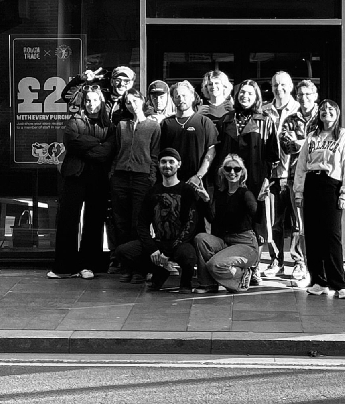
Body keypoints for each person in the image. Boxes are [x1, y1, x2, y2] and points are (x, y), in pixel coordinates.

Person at [214, 79, 279, 285]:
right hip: (229, 180)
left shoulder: (265, 120)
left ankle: (254, 267)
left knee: (256, 224)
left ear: (257, 97)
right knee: (228, 221)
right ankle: (230, 264)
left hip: (255, 180)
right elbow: (217, 152)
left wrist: (267, 182)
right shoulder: (226, 119)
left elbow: (272, 155)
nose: (245, 96)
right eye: (242, 93)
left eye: (250, 93)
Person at [293, 99, 345, 299]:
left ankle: (339, 284)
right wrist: (298, 192)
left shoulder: (344, 136)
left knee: (331, 236)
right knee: (312, 235)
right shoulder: (311, 137)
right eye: (322, 109)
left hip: (332, 186)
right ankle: (318, 281)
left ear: (337, 114)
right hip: (312, 184)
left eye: (330, 109)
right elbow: (301, 166)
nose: (325, 112)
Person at [47, 87, 113, 279]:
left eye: (95, 100)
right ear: (83, 103)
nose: (91, 104)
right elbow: (72, 143)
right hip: (75, 176)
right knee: (68, 219)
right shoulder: (74, 122)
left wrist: (89, 147)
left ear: (101, 102)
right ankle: (63, 267)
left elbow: (108, 151)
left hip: (98, 178)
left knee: (94, 221)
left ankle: (88, 265)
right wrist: (97, 145)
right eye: (88, 101)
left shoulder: (109, 125)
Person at [115, 148, 198, 293]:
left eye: (171, 162)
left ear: (179, 164)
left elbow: (191, 225)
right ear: (158, 165)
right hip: (159, 242)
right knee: (124, 251)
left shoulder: (187, 191)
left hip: (180, 243)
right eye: (163, 162)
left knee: (188, 254)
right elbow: (142, 224)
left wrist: (168, 251)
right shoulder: (152, 191)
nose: (167, 165)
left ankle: (185, 282)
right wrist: (153, 249)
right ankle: (160, 271)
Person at [109, 89, 160, 272]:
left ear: (142, 100)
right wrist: (113, 174)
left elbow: (154, 155)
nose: (132, 105)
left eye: (135, 101)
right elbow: (116, 152)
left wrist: (151, 177)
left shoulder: (153, 126)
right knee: (120, 221)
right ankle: (124, 262)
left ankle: (138, 266)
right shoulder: (121, 126)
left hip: (142, 177)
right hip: (121, 177)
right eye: (128, 102)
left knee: (138, 222)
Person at [193, 154, 258, 293]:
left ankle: (242, 276)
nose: (232, 172)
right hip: (225, 242)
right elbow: (213, 220)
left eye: (236, 169)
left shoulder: (246, 194)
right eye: (228, 169)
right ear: (223, 171)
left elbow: (257, 217)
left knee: (214, 265)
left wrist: (263, 201)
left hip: (245, 244)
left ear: (242, 172)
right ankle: (207, 284)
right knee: (200, 238)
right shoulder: (220, 194)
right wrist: (205, 200)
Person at [280, 79, 320, 283]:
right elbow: (286, 145)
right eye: (301, 94)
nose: (304, 98)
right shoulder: (290, 118)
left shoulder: (324, 117)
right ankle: (299, 263)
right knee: (298, 223)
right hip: (296, 176)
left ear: (315, 96)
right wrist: (308, 143)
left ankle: (317, 265)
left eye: (308, 94)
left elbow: (326, 142)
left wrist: (301, 142)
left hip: (320, 176)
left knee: (318, 222)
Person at [262, 71, 300, 279]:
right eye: (276, 85)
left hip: (293, 174)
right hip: (272, 175)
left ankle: (298, 262)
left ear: (291, 86)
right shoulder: (265, 110)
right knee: (273, 222)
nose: (279, 88)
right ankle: (276, 261)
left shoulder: (299, 110)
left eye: (284, 85)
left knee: (296, 222)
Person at [160, 80, 218, 191]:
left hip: (198, 184)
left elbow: (211, 151)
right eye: (177, 96)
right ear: (172, 99)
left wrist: (198, 176)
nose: (181, 99)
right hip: (171, 184)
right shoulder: (165, 124)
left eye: (184, 96)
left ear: (192, 97)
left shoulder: (205, 122)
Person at [61, 65, 135, 124]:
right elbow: (68, 96)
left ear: (132, 83)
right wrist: (81, 79)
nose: (121, 84)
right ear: (112, 81)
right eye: (118, 80)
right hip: (97, 141)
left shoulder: (137, 102)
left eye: (126, 81)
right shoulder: (98, 96)